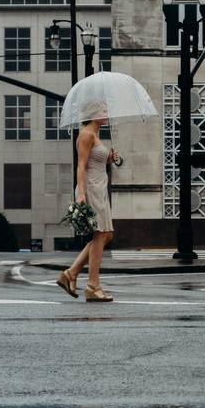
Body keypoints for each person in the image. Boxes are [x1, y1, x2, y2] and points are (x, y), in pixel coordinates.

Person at [56, 106, 120, 302]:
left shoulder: (95, 134)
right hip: (91, 188)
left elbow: (97, 160)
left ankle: (71, 273)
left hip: (100, 187)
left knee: (106, 234)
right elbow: (81, 166)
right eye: (103, 111)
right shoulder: (85, 135)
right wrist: (81, 193)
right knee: (100, 234)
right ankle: (93, 285)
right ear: (92, 114)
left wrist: (110, 158)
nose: (107, 114)